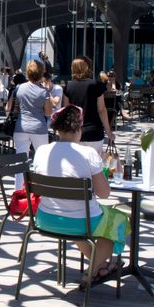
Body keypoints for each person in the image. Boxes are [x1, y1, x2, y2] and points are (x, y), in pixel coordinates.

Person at [31, 104, 128, 283]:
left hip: (45, 219)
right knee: (117, 221)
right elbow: (104, 193)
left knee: (79, 215)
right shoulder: (88, 153)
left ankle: (100, 266)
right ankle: (90, 273)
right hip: (80, 223)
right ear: (79, 128)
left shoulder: (42, 151)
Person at [5, 60, 53, 187]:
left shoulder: (19, 88)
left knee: (20, 160)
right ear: (41, 73)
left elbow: (8, 107)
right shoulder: (44, 92)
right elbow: (48, 112)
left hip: (21, 127)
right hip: (39, 128)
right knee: (42, 160)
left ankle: (18, 191)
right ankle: (40, 189)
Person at [62, 57, 115, 158]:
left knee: (77, 165)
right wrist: (108, 131)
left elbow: (66, 110)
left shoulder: (68, 86)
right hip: (94, 130)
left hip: (75, 131)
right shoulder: (95, 85)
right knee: (94, 165)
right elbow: (101, 110)